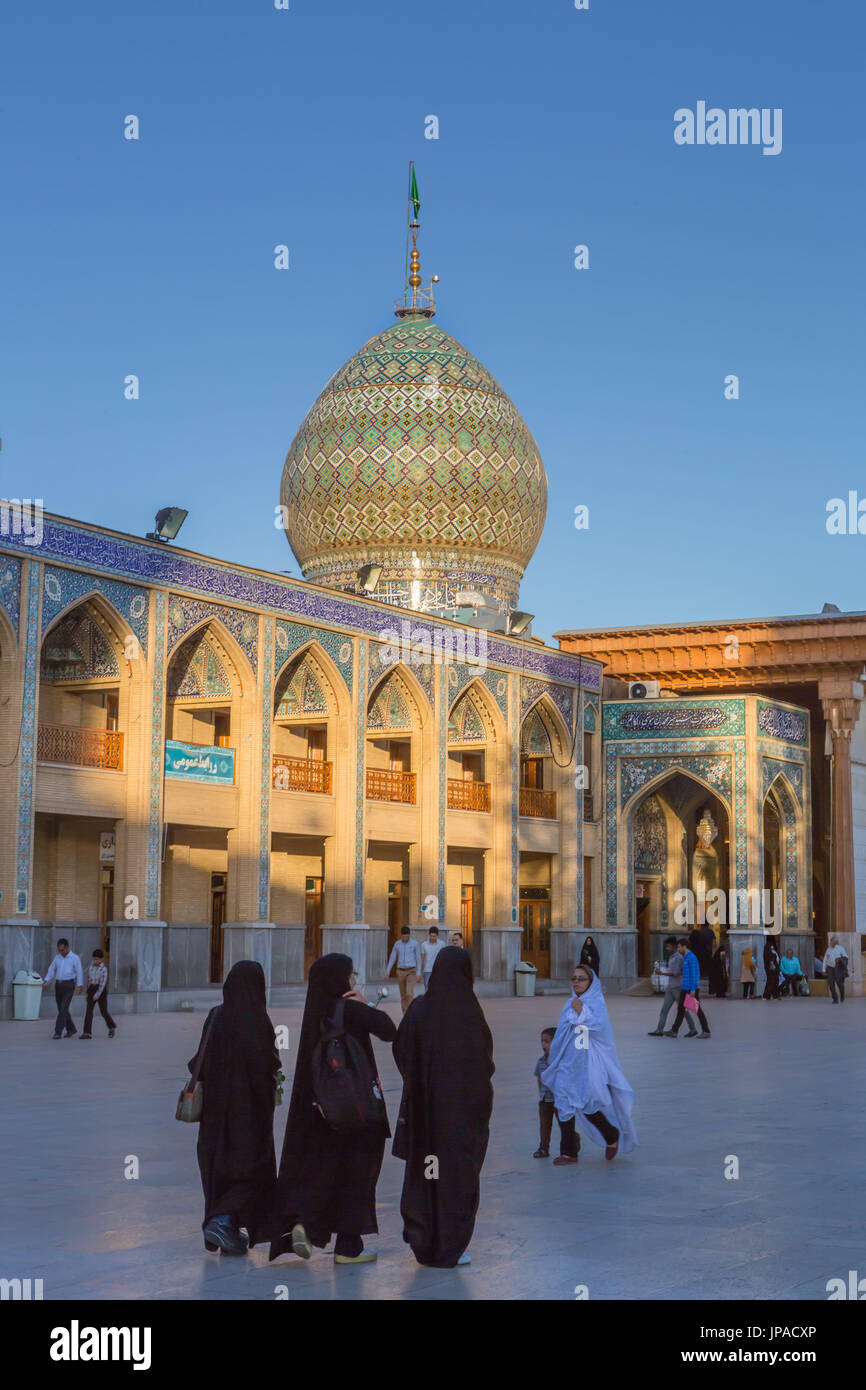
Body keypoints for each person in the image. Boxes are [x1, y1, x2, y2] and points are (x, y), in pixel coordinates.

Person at [269, 953, 396, 1265]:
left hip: (321, 1109)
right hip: (355, 1108)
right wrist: (365, 1005)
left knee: (325, 1170)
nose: (353, 981)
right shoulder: (349, 1008)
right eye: (351, 975)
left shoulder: (315, 1011)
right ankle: (348, 1245)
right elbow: (389, 1030)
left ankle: (305, 1224)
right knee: (357, 1171)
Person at [393, 946, 494, 1267]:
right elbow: (484, 1066)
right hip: (460, 1120)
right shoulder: (470, 1014)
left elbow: (401, 1050)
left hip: (425, 1117)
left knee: (427, 1173)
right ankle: (450, 1245)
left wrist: (420, 1081)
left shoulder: (421, 1009)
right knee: (455, 1178)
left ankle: (425, 1241)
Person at [188, 960, 280, 1256]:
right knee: (251, 1169)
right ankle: (222, 1219)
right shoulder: (257, 1020)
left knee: (220, 1169)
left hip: (215, 1116)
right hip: (247, 1115)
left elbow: (197, 1062)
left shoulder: (216, 1016)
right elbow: (265, 1066)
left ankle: (227, 1228)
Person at [542, 964, 637, 1163]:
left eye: (581, 979)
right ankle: (569, 1152)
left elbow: (596, 1027)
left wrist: (581, 1011)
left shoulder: (595, 1003)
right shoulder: (570, 1003)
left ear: (591, 983)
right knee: (563, 1103)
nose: (576, 982)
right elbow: (562, 1034)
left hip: (586, 1064)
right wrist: (554, 1055)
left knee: (587, 1104)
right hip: (567, 1062)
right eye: (574, 978)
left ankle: (611, 1135)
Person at [533, 1026, 571, 1158]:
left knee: (564, 1125)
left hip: (558, 1100)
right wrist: (540, 1094)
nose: (543, 1044)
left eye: (547, 1041)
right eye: (542, 1041)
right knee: (544, 1126)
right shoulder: (541, 1061)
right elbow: (539, 1078)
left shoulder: (560, 1062)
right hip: (544, 1100)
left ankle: (573, 1141)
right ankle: (543, 1148)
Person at [666, 938, 711, 1038]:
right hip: (685, 988)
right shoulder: (686, 957)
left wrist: (693, 989)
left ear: (684, 946)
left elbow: (695, 974)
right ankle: (674, 1031)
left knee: (697, 1009)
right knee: (681, 1010)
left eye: (679, 947)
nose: (678, 949)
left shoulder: (692, 958)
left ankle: (706, 1031)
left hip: (690, 989)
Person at [43, 938, 84, 1039]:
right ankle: (71, 1029)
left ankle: (58, 1032)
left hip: (69, 985)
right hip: (58, 985)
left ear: (67, 947)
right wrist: (45, 981)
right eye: (59, 950)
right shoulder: (57, 958)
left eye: (62, 950)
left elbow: (79, 972)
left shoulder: (75, 958)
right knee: (61, 1009)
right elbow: (51, 970)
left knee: (63, 1008)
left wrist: (79, 985)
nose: (61, 952)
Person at [648, 936, 683, 1035]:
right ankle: (659, 1030)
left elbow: (675, 973)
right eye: (666, 946)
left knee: (683, 1010)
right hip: (670, 987)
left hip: (677, 987)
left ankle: (692, 1028)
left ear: (675, 946)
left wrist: (662, 973)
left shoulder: (678, 958)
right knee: (664, 1009)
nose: (667, 949)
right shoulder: (671, 957)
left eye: (668, 947)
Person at [80, 948, 117, 1039]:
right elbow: (89, 980)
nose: (95, 961)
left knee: (103, 1011)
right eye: (94, 959)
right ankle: (87, 1032)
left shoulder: (104, 969)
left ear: (101, 959)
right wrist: (88, 993)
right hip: (92, 988)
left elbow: (103, 983)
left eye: (97, 959)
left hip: (101, 990)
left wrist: (97, 995)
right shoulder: (91, 967)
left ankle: (111, 1026)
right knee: (88, 1011)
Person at [386, 926, 423, 1014]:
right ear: (401, 935)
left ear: (409, 935)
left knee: (409, 993)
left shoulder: (415, 944)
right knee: (403, 996)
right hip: (400, 971)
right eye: (403, 936)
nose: (405, 938)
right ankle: (405, 1015)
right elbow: (392, 957)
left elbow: (418, 958)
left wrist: (418, 973)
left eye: (407, 936)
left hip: (411, 971)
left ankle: (411, 1013)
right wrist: (387, 971)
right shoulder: (397, 944)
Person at [824, 935, 849, 1004]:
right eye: (830, 941)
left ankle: (842, 995)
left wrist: (840, 959)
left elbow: (846, 957)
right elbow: (825, 959)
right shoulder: (828, 949)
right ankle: (835, 999)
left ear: (835, 942)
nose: (830, 942)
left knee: (839, 983)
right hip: (830, 968)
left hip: (838, 968)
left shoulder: (840, 948)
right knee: (831, 984)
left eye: (831, 941)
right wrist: (823, 969)